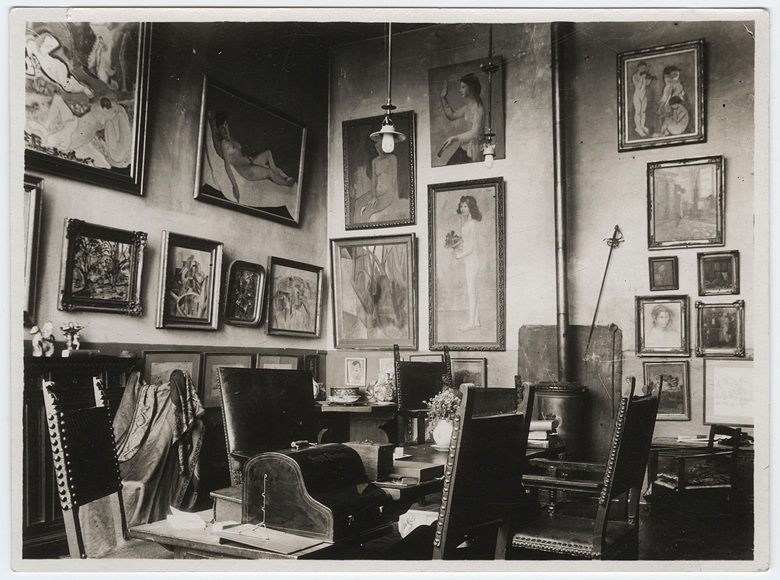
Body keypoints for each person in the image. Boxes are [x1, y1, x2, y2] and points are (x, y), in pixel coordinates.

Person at [208, 110, 295, 203]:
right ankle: (287, 183)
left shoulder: (231, 139)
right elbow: (227, 166)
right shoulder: (224, 144)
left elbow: (238, 153)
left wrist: (247, 157)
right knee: (269, 172)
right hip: (246, 170)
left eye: (226, 125)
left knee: (268, 153)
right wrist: (235, 186)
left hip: (250, 161)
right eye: (222, 128)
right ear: (219, 130)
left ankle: (280, 176)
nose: (225, 130)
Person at [438, 73, 485, 165]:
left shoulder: (478, 108)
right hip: (465, 147)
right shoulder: (468, 107)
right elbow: (451, 116)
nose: (460, 90)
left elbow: (476, 133)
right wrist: (443, 98)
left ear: (471, 87)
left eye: (463, 87)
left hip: (474, 150)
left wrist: (455, 138)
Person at [453, 196, 483, 331]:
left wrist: (460, 255)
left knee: (472, 291)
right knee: (473, 291)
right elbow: (465, 240)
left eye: (465, 206)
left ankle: (471, 322)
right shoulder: (467, 224)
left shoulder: (474, 224)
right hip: (469, 260)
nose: (462, 208)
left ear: (471, 207)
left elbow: (471, 247)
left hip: (473, 259)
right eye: (461, 206)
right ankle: (476, 320)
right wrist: (454, 243)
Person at [631, 61, 654, 138]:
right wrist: (642, 77)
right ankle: (638, 127)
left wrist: (650, 78)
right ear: (638, 67)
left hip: (644, 96)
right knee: (638, 112)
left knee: (643, 111)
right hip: (637, 96)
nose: (643, 69)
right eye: (641, 68)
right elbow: (639, 86)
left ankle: (642, 125)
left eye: (644, 68)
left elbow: (647, 84)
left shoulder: (644, 75)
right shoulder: (634, 76)